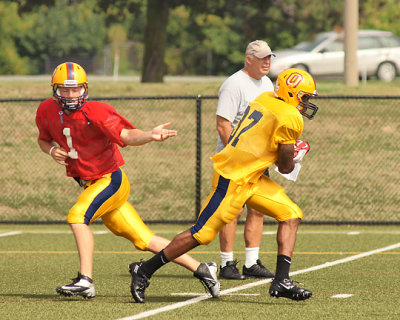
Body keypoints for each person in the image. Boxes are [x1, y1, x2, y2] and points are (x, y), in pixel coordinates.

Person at [129, 68, 319, 303]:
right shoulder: (290, 116)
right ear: (291, 94)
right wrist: (297, 153)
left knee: (291, 214)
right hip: (232, 178)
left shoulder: (266, 98)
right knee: (200, 233)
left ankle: (282, 280)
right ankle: (144, 270)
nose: (307, 102)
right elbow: (286, 167)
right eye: (305, 97)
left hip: (252, 177)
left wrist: (285, 150)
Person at [35, 62, 220, 299]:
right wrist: (51, 151)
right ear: (55, 90)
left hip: (110, 180)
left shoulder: (96, 111)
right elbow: (43, 139)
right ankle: (202, 268)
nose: (71, 96)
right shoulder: (45, 110)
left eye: (76, 90)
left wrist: (149, 135)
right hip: (91, 184)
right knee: (144, 240)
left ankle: (85, 280)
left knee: (77, 216)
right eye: (65, 90)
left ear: (85, 89)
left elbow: (125, 135)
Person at [216, 40, 275, 280]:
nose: (267, 62)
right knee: (233, 211)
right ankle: (227, 263)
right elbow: (223, 125)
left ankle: (251, 262)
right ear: (249, 59)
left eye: (269, 57)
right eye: (262, 57)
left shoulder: (268, 83)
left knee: (258, 209)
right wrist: (239, 155)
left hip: (258, 159)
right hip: (236, 159)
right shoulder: (234, 84)